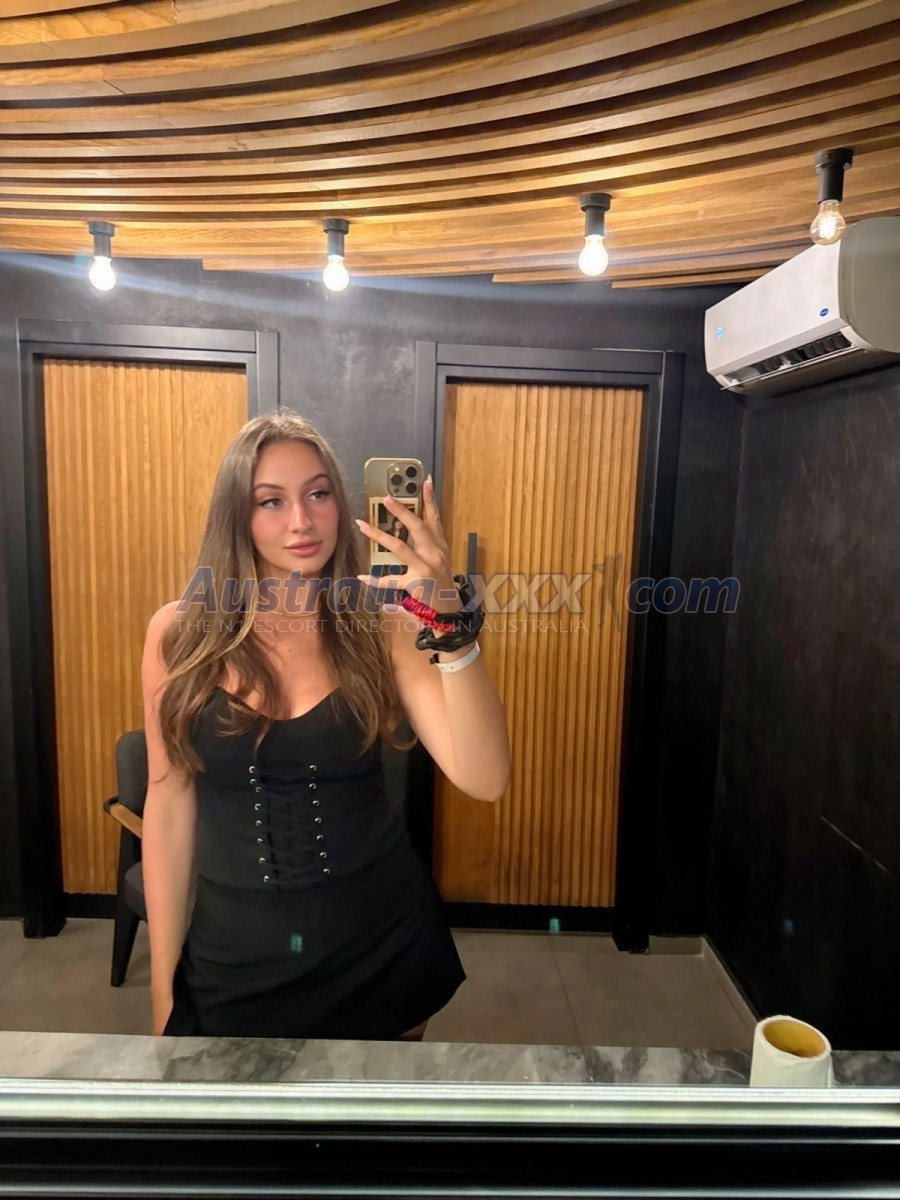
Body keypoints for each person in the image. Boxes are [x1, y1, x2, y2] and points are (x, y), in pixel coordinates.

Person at [142, 411, 511, 1041]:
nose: (301, 521)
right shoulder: (178, 634)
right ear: (236, 515)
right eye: (271, 501)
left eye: (317, 494)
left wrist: (448, 616)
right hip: (233, 957)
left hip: (382, 947)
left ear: (341, 504)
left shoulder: (383, 623)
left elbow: (486, 778)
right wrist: (161, 986)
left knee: (376, 1107)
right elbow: (169, 805)